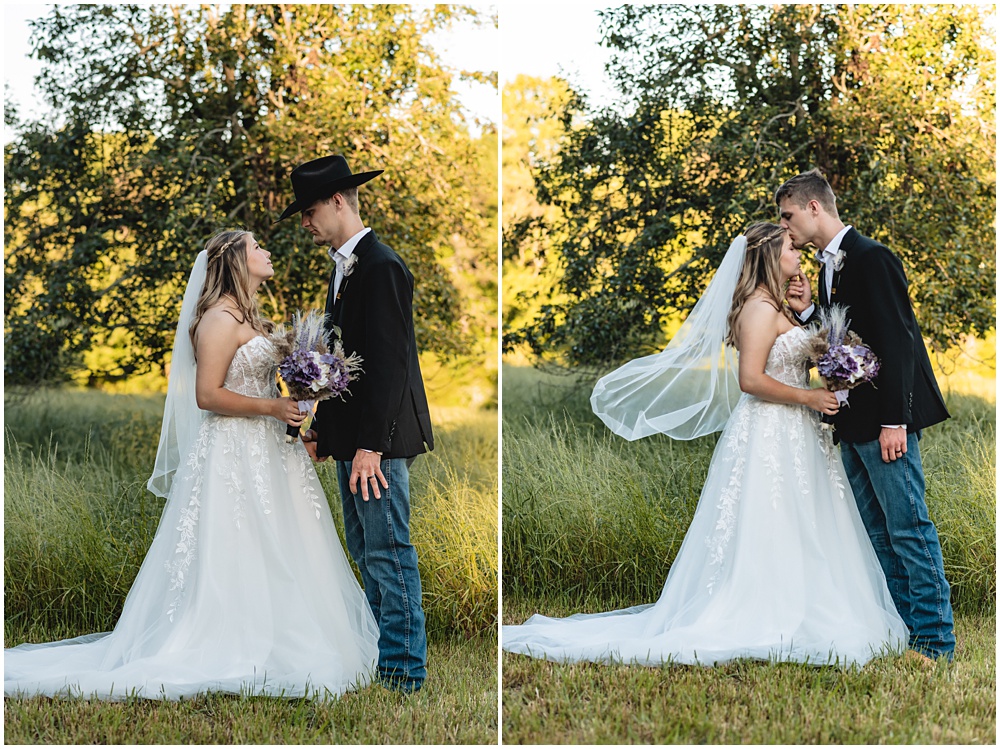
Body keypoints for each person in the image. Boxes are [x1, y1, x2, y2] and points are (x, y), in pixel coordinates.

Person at [502, 223, 907, 667]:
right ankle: (765, 610)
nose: (799, 252)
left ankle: (812, 602)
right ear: (771, 255)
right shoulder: (755, 308)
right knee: (771, 520)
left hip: (799, 432)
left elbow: (795, 353)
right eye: (791, 246)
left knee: (808, 518)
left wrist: (811, 320)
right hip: (770, 428)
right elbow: (751, 380)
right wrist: (810, 397)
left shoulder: (781, 305)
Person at [5, 230, 379, 700]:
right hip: (233, 453)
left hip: (269, 451)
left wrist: (295, 415)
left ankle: (286, 633)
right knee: (237, 542)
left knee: (286, 538)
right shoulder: (218, 319)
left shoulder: (248, 315)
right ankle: (232, 642)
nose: (266, 252)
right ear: (237, 261)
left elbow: (259, 386)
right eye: (257, 246)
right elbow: (208, 395)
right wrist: (272, 410)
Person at [776, 169, 954, 664]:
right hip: (849, 423)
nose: (784, 227)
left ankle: (936, 643)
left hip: (883, 425)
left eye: (787, 215)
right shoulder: (827, 267)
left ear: (814, 207)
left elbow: (898, 343)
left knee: (908, 529)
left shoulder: (873, 258)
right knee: (877, 533)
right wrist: (812, 312)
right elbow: (844, 341)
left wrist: (895, 422)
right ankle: (905, 634)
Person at [277, 155, 434, 693]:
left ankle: (404, 674)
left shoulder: (381, 265)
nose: (305, 221)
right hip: (357, 442)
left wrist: (369, 446)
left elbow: (390, 368)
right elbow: (347, 369)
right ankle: (376, 660)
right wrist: (326, 431)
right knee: (367, 554)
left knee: (390, 554)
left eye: (309, 209)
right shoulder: (343, 267)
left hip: (380, 447)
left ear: (338, 201)